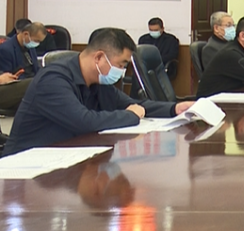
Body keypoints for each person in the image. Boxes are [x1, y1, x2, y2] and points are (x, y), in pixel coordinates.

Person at [2, 28, 194, 157]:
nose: (122, 71)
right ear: (99, 57)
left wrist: (175, 108)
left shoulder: (98, 82)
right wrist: (131, 116)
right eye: (121, 64)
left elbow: (134, 105)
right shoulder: (53, 80)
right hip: (24, 168)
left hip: (65, 159)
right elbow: (84, 121)